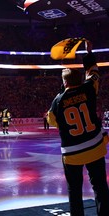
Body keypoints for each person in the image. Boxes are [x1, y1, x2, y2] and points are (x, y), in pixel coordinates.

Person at [47, 40, 109, 216]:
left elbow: (52, 121)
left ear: (64, 82)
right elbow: (94, 73)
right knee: (100, 187)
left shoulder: (57, 101)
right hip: (95, 147)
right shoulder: (89, 88)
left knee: (74, 191)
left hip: (72, 153)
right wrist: (88, 53)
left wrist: (62, 95)